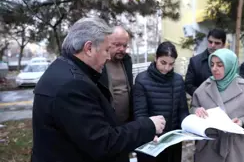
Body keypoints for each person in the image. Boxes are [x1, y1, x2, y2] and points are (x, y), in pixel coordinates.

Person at [31, 17, 166, 162]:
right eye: (106, 50)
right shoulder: (73, 86)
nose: (108, 56)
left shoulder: (64, 70)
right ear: (89, 48)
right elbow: (103, 143)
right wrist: (148, 126)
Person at [191, 48, 244, 162]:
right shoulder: (204, 86)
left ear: (230, 65)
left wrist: (243, 122)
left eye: (220, 65)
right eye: (212, 64)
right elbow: (194, 107)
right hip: (208, 146)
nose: (214, 69)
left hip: (235, 146)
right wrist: (197, 111)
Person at [133, 41, 189, 162]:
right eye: (163, 63)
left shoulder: (178, 80)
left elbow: (183, 110)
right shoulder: (142, 80)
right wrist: (148, 133)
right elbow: (140, 113)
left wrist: (188, 127)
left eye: (171, 64)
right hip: (151, 141)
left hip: (173, 142)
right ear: (156, 58)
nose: (166, 68)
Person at [100, 26, 134, 123]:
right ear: (107, 42)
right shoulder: (100, 63)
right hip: (108, 123)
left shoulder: (127, 61)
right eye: (117, 45)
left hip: (128, 122)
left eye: (124, 45)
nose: (122, 49)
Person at [185, 28, 226, 96]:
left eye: (217, 43)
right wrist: (203, 95)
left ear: (223, 45)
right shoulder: (195, 61)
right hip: (201, 103)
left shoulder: (230, 62)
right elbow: (188, 85)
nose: (213, 45)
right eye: (210, 42)